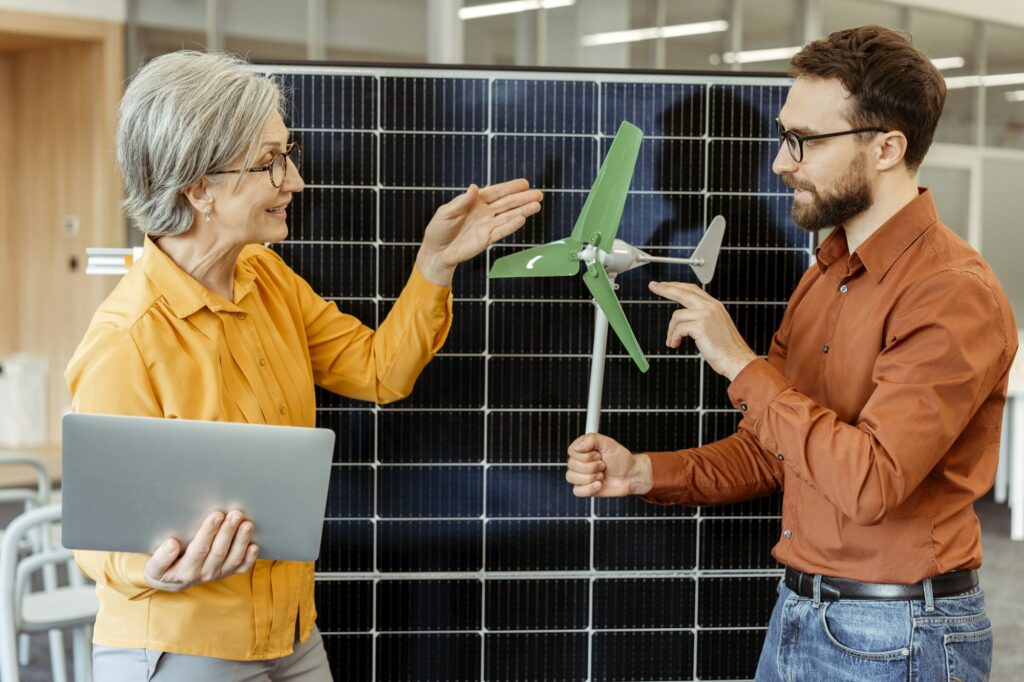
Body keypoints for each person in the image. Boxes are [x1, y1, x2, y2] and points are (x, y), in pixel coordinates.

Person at [65, 50, 542, 681]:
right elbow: (101, 542)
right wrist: (157, 567)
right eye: (269, 163)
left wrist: (435, 265)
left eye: (287, 154)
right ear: (198, 186)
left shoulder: (265, 278)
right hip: (182, 644)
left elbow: (379, 371)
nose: (295, 181)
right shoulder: (127, 338)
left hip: (289, 629)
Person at [565, 25, 1017, 681]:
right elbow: (774, 447)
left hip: (896, 638)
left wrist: (740, 364)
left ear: (887, 146)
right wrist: (642, 472)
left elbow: (868, 483)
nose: (781, 161)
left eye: (804, 141)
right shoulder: (824, 273)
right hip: (799, 611)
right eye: (784, 136)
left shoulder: (949, 294)